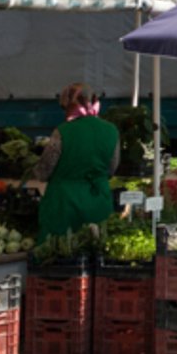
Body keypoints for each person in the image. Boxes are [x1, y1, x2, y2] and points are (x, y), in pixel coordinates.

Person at [32, 82, 121, 243]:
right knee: (95, 249)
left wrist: (34, 169)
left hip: (64, 204)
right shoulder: (111, 131)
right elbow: (112, 168)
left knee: (58, 253)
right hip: (98, 201)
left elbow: (44, 171)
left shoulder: (62, 131)